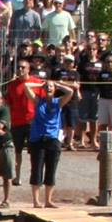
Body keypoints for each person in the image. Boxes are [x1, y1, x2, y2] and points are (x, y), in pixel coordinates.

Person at [26, 74, 77, 208]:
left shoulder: (58, 102)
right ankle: (36, 201)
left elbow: (70, 92)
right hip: (38, 138)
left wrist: (58, 84)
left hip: (53, 138)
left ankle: (48, 200)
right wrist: (40, 84)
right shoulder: (38, 101)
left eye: (50, 87)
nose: (48, 88)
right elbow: (26, 86)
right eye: (47, 86)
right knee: (36, 169)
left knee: (51, 169)